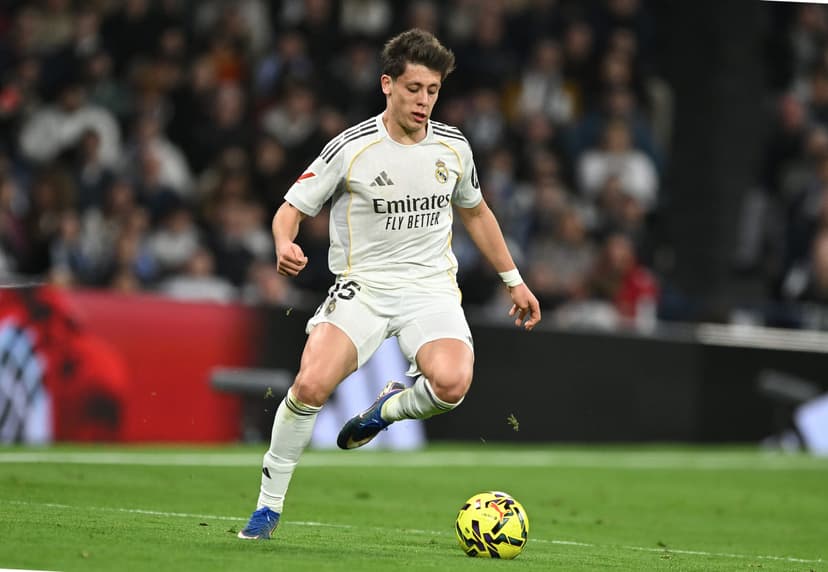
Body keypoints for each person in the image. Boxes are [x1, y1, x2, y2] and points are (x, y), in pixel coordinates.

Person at [238, 28, 541, 540]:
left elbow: (476, 212)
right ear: (388, 84)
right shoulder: (351, 148)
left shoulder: (454, 147)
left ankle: (388, 408)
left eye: (433, 91)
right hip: (365, 286)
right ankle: (267, 509)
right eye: (414, 88)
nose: (424, 101)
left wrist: (513, 280)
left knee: (452, 384)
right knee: (310, 386)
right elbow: (290, 209)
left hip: (430, 288)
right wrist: (283, 242)